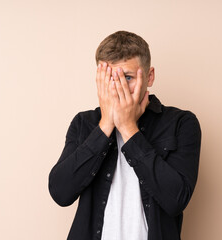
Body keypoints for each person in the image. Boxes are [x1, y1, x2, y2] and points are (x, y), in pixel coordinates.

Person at [48, 30, 202, 240]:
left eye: (127, 77)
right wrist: (105, 125)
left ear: (150, 76)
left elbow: (176, 199)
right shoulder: (84, 123)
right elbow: (60, 192)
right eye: (110, 78)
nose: (117, 88)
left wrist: (128, 127)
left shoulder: (181, 123)